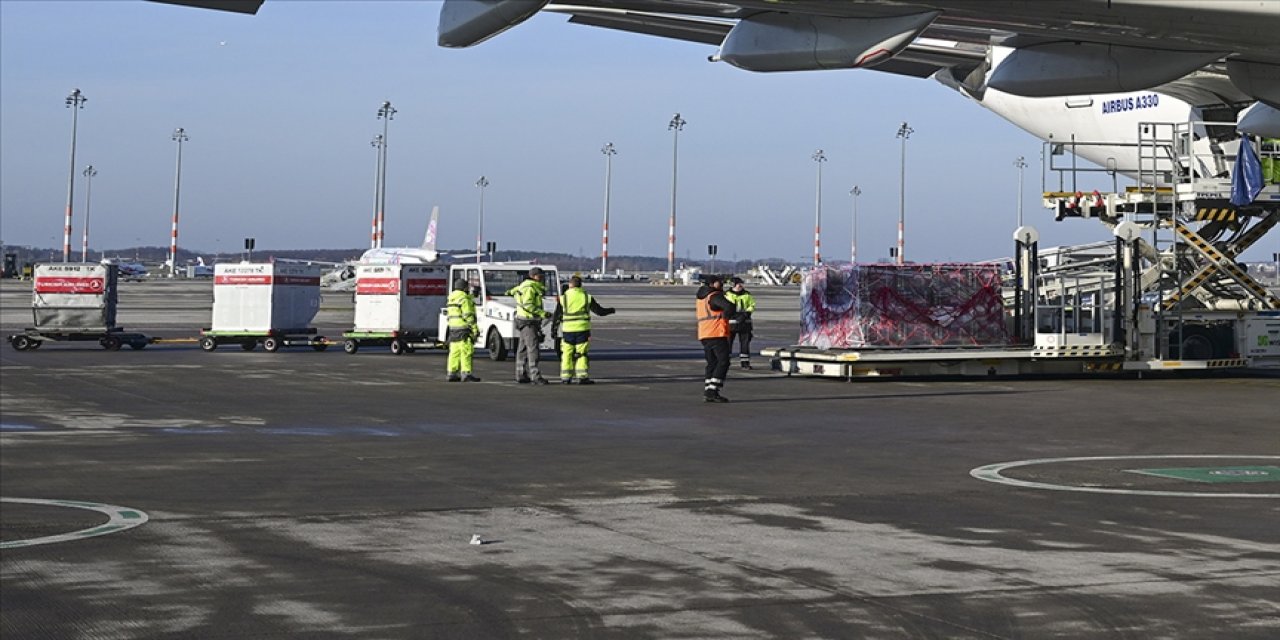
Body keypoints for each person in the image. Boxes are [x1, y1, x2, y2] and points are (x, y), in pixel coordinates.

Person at [553, 275, 615, 384]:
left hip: (568, 330)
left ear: (570, 285)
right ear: (581, 285)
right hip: (582, 329)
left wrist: (553, 330)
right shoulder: (587, 297)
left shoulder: (563, 298)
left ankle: (566, 377)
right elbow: (600, 312)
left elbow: (557, 316)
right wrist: (611, 310)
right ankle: (582, 376)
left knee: (567, 353)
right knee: (581, 353)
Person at [506, 266, 550, 384]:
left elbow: (511, 292)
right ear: (534, 276)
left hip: (523, 320)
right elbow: (528, 305)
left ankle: (520, 373)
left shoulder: (523, 287)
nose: (542, 278)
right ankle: (535, 375)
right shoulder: (530, 288)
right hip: (529, 321)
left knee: (523, 349)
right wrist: (542, 313)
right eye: (540, 276)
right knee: (533, 349)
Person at [695, 274, 736, 403]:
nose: (722, 284)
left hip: (705, 333)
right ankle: (712, 390)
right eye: (719, 282)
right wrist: (727, 316)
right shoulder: (714, 296)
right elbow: (730, 306)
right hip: (717, 333)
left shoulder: (702, 297)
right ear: (712, 284)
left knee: (712, 362)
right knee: (723, 361)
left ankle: (708, 388)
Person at [445, 278, 480, 382]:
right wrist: (475, 329)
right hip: (464, 329)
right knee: (466, 351)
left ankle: (452, 373)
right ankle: (466, 373)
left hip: (453, 328)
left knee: (454, 352)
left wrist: (473, 295)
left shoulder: (452, 298)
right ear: (464, 288)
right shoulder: (464, 299)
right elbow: (468, 315)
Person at [723, 277, 756, 369]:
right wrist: (733, 315)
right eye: (738, 284)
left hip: (745, 323)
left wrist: (745, 314)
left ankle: (745, 362)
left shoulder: (747, 294)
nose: (740, 286)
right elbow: (724, 307)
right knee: (728, 343)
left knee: (745, 344)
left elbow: (752, 305)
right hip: (731, 324)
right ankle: (725, 362)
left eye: (741, 284)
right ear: (733, 285)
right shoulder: (727, 295)